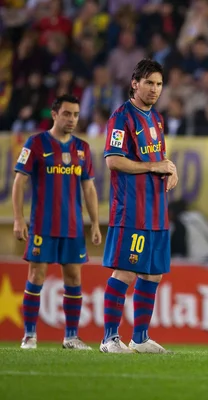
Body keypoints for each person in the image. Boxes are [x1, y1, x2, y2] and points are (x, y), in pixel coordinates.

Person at [100, 59, 179, 354]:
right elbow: (113, 160)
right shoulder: (121, 118)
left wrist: (170, 169)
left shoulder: (156, 118)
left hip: (157, 209)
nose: (154, 89)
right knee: (125, 272)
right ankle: (109, 338)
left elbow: (159, 158)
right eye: (149, 83)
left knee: (153, 273)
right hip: (132, 209)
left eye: (159, 84)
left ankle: (141, 338)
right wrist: (154, 165)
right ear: (135, 83)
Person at [12, 94, 102, 350]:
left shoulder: (82, 148)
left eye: (75, 115)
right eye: (67, 114)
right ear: (54, 114)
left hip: (73, 226)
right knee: (36, 275)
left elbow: (89, 189)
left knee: (74, 277)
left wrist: (95, 223)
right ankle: (29, 335)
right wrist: (18, 219)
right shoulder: (36, 143)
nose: (72, 119)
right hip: (43, 224)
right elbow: (19, 181)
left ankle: (71, 337)